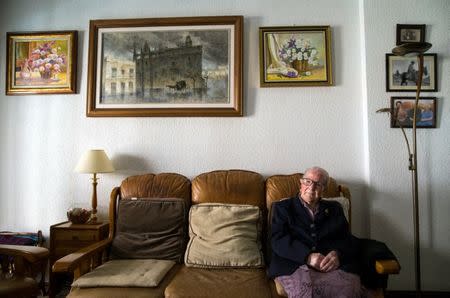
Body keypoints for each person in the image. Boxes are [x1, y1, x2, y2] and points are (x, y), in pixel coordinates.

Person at [268, 166, 362, 298]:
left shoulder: (335, 209)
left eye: (318, 184)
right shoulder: (283, 208)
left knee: (349, 290)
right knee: (306, 293)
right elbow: (278, 240)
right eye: (308, 181)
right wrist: (308, 256)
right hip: (293, 265)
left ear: (323, 188)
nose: (311, 188)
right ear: (301, 183)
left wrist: (337, 254)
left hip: (329, 265)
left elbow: (346, 239)